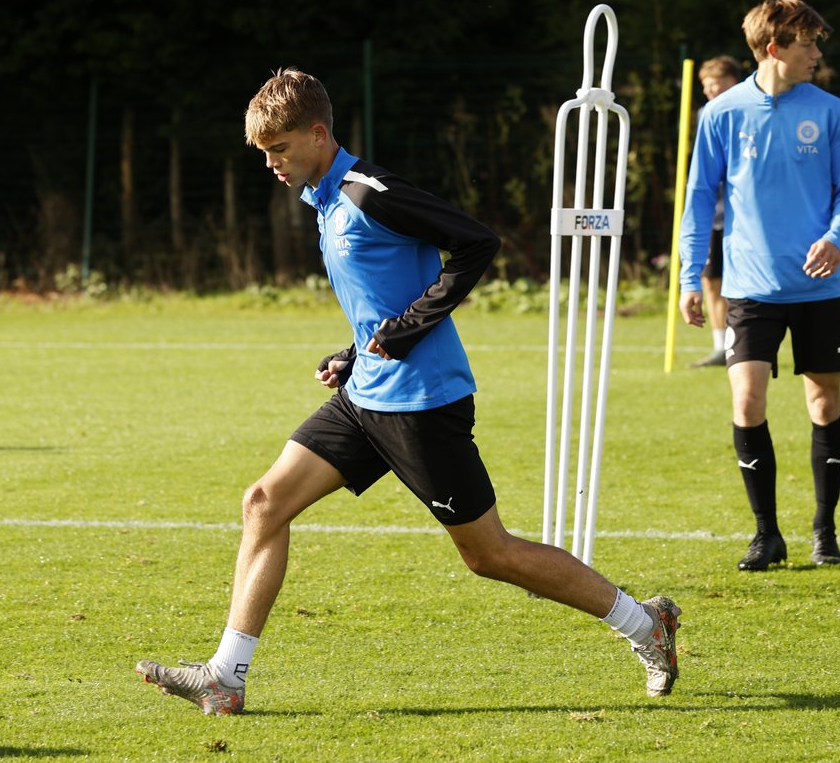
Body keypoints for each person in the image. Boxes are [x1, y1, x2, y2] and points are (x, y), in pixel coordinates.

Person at [136, 68, 681, 715]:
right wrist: (354, 352)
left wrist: (407, 330)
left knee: (490, 554)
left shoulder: (371, 193)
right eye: (264, 154)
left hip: (423, 404)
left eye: (279, 148)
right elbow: (383, 293)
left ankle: (646, 623)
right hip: (366, 396)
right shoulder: (326, 199)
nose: (272, 165)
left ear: (318, 134)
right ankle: (227, 677)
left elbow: (476, 242)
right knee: (263, 502)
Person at [678, 0, 840, 570]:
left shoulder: (829, 111)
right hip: (749, 288)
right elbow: (698, 199)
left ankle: (824, 532)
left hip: (818, 289)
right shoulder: (722, 114)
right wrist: (689, 277)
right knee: (747, 399)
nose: (817, 54)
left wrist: (836, 238)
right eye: (808, 43)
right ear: (776, 47)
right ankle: (767, 534)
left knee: (823, 400)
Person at [690, 55, 743, 368]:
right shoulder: (706, 114)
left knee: (740, 281)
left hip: (742, 214)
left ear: (732, 83)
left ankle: (745, 342)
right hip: (713, 212)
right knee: (711, 280)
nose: (710, 93)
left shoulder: (749, 111)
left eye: (716, 87)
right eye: (706, 88)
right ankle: (719, 346)